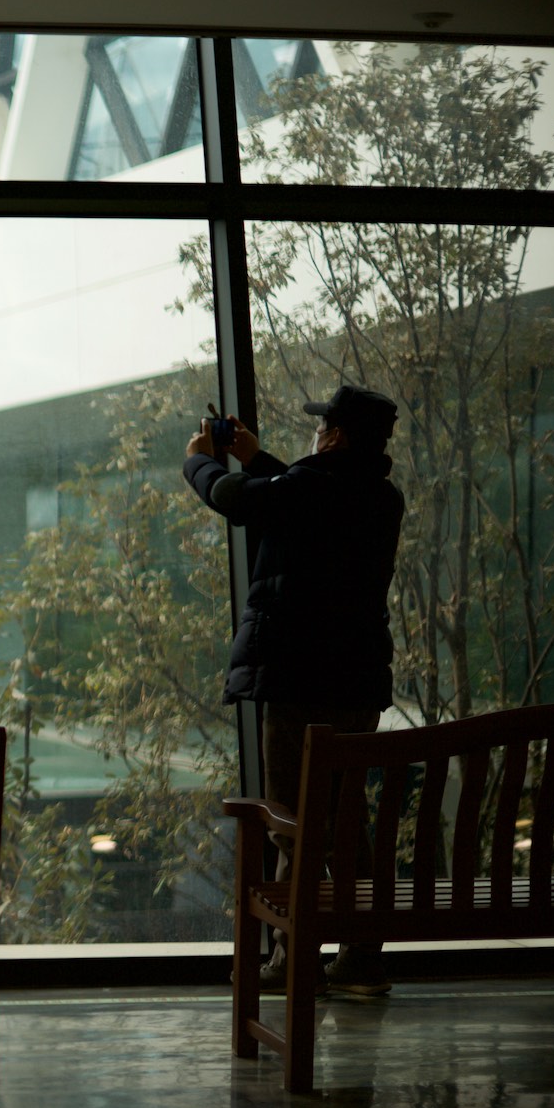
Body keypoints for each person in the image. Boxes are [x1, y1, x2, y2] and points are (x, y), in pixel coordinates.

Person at [185, 386, 405, 997]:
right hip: (358, 684)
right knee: (346, 820)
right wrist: (257, 458)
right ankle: (361, 958)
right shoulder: (382, 498)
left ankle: (292, 958)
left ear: (335, 435)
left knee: (292, 820)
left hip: (297, 680)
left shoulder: (310, 489)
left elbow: (237, 499)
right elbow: (304, 498)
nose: (317, 433)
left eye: (323, 425)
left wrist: (198, 462)